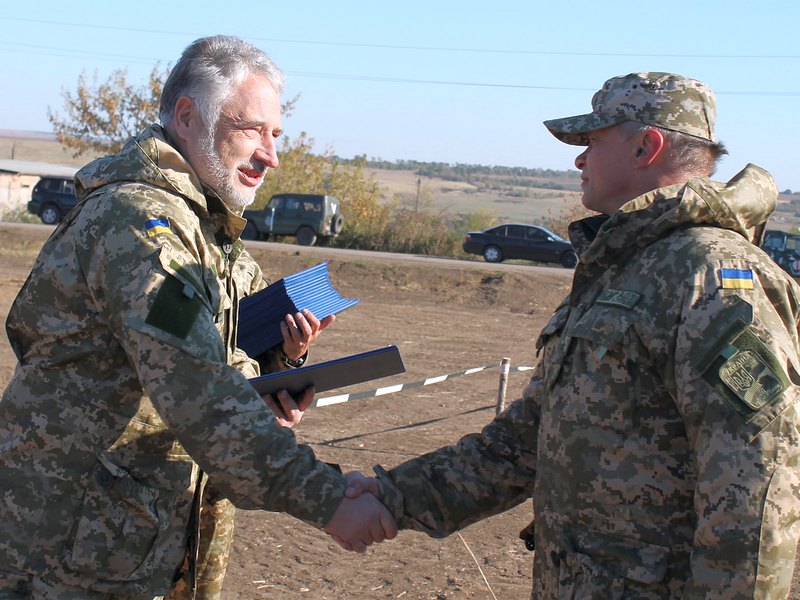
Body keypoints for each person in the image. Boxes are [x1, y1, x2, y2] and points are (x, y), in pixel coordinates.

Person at [346, 72, 800, 597]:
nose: (579, 160)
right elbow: (524, 443)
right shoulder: (627, 266)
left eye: (592, 141)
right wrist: (394, 495)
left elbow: (757, 486)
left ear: (646, 147)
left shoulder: (709, 274)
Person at [0, 35, 395, 600]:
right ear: (187, 117)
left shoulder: (209, 230)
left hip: (144, 532)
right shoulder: (139, 226)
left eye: (276, 134)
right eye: (251, 129)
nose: (271, 155)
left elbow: (227, 351)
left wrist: (279, 368)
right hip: (69, 549)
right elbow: (197, 386)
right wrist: (328, 499)